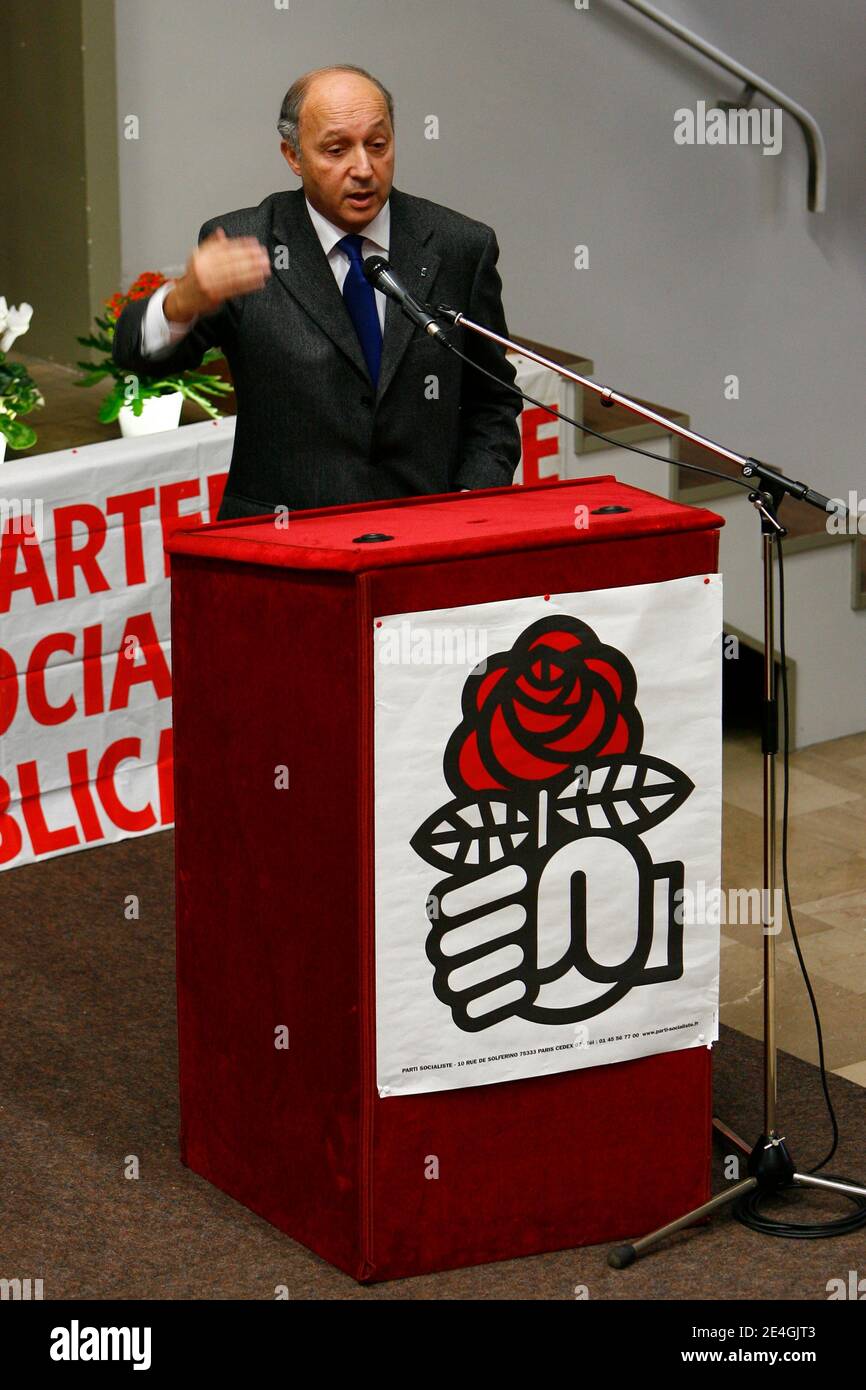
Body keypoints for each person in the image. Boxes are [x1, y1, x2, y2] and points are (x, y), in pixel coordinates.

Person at [113, 64, 521, 520]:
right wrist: (180, 302)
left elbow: (493, 400)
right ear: (293, 155)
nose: (363, 168)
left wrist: (471, 499)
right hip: (286, 543)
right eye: (336, 149)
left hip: (424, 539)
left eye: (378, 145)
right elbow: (137, 357)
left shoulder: (458, 245)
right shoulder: (247, 241)